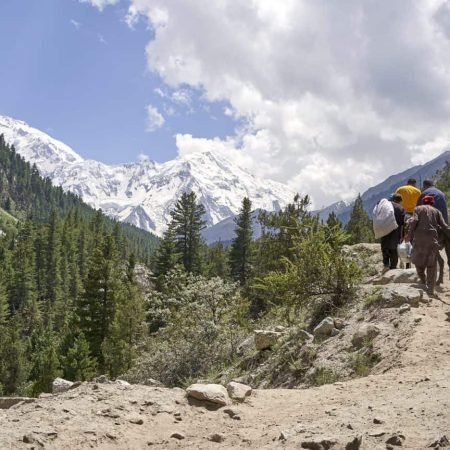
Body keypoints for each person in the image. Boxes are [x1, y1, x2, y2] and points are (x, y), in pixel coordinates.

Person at [405, 195, 450, 295]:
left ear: (423, 202)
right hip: (432, 239)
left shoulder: (417, 209)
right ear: (432, 203)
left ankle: (423, 281)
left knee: (418, 262)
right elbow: (444, 226)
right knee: (432, 264)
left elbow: (414, 222)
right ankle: (430, 289)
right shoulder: (437, 212)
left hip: (419, 240)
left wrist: (409, 235)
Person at [380, 193, 405, 272]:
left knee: (385, 247)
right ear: (399, 201)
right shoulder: (400, 208)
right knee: (394, 249)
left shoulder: (385, 206)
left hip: (384, 230)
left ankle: (386, 265)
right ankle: (393, 267)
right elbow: (403, 223)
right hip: (395, 230)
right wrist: (403, 235)